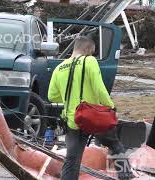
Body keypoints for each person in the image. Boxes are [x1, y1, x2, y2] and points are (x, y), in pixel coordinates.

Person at [48, 36, 133, 180]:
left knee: (72, 160)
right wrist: (111, 107)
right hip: (94, 118)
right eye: (92, 52)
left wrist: (70, 95)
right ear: (87, 49)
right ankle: (126, 176)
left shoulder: (59, 68)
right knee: (115, 145)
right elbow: (99, 89)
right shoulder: (90, 61)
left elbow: (52, 96)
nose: (92, 55)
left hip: (72, 120)